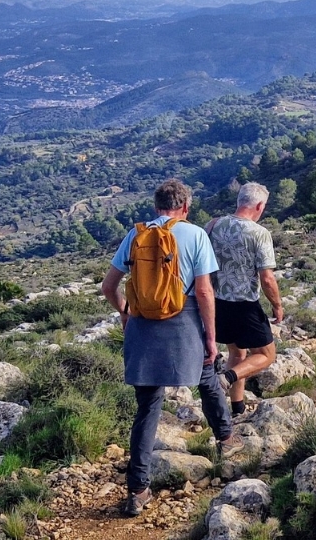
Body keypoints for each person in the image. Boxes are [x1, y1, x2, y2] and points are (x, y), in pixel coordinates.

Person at [99, 179, 231, 518]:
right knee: (206, 378)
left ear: (157, 206)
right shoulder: (196, 234)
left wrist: (126, 315)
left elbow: (109, 286)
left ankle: (138, 489)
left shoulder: (135, 235)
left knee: (147, 407)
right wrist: (211, 338)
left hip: (143, 324)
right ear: (185, 207)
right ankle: (227, 442)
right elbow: (204, 292)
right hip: (183, 320)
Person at [205, 182, 284, 417]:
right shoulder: (258, 233)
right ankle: (225, 378)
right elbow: (267, 278)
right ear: (259, 206)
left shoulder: (213, 225)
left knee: (237, 355)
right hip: (245, 305)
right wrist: (277, 305)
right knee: (266, 355)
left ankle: (236, 410)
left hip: (218, 302)